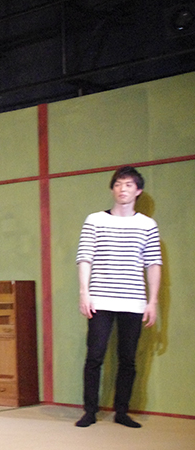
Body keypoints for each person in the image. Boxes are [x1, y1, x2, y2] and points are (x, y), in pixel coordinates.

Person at [75, 166, 162, 429]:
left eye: (128, 184)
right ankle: (90, 411)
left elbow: (153, 263)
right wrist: (84, 292)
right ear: (112, 189)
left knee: (128, 359)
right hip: (100, 299)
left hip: (133, 300)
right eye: (118, 184)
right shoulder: (95, 220)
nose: (122, 189)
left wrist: (153, 301)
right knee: (94, 356)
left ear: (138, 191)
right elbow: (85, 257)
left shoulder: (147, 224)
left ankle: (121, 411)